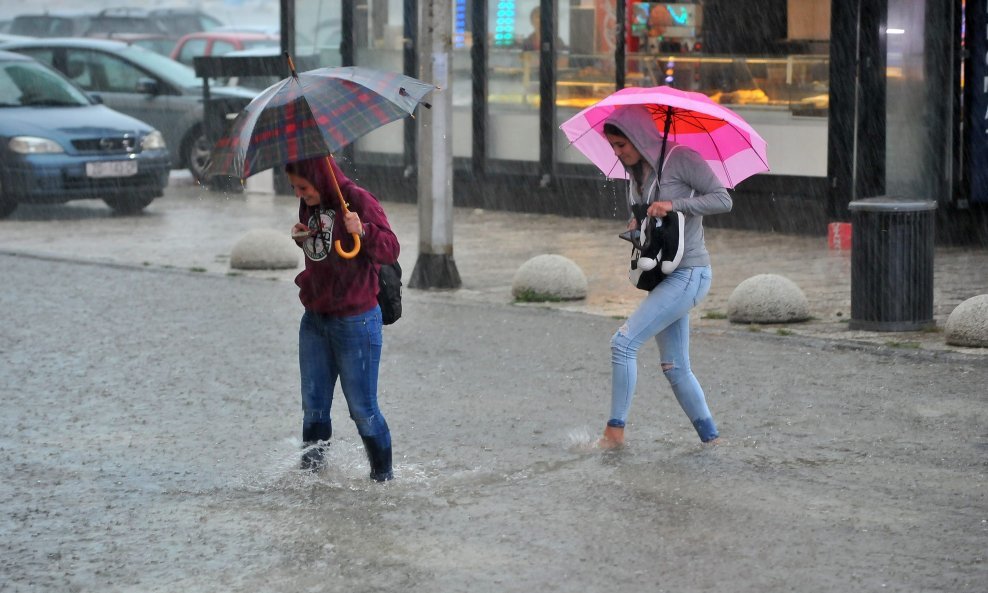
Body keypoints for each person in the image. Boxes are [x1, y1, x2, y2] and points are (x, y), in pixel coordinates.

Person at [598, 105, 732, 448]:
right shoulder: (638, 173)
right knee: (674, 367)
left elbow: (722, 200)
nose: (618, 153)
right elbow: (653, 219)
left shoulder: (681, 158)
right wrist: (637, 223)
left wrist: (675, 206)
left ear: (639, 138)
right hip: (662, 275)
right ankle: (711, 440)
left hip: (690, 272)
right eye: (613, 146)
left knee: (623, 343)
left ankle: (615, 432)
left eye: (621, 145)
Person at [286, 155, 400, 481]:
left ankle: (383, 479)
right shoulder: (309, 205)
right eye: (294, 187)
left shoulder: (359, 200)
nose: (299, 194)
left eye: (303, 187)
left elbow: (391, 249)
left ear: (320, 179)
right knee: (314, 409)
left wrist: (363, 230)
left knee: (363, 411)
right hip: (315, 319)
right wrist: (304, 238)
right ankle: (311, 478)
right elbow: (325, 251)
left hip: (355, 321)